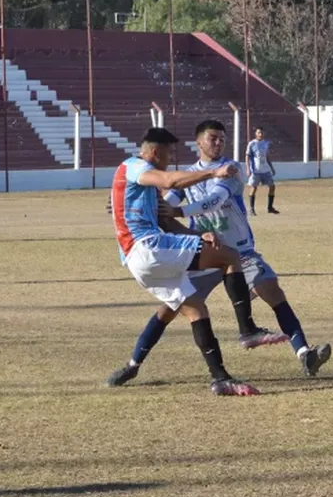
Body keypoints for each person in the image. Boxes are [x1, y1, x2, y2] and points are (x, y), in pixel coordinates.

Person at [107, 120, 331, 388]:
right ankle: (133, 365)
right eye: (213, 138)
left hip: (239, 250)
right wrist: (136, 205)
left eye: (222, 139)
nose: (218, 143)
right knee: (172, 308)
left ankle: (304, 354)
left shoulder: (231, 170)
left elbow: (214, 199)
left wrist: (179, 211)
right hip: (206, 252)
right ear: (199, 142)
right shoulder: (188, 174)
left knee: (271, 290)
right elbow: (169, 202)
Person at [111, 126, 262, 396]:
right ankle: (247, 330)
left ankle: (220, 379)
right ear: (155, 153)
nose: (169, 160)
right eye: (168, 155)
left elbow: (166, 221)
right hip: (148, 248)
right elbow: (170, 180)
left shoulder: (145, 186)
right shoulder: (134, 166)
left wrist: (197, 234)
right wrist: (212, 172)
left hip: (138, 262)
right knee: (229, 256)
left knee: (195, 310)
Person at [245, 127, 278, 215]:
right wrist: (248, 169)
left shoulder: (266, 143)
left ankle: (270, 207)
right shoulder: (252, 144)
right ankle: (251, 209)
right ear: (256, 133)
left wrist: (272, 168)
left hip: (265, 170)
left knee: (272, 186)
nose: (260, 134)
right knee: (253, 188)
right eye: (259, 132)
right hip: (256, 171)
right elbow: (247, 156)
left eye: (262, 132)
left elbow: (267, 156)